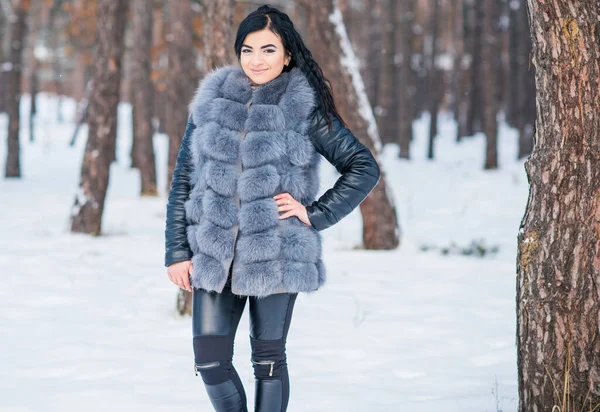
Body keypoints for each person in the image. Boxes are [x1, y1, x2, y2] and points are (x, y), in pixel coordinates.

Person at [165, 5, 380, 412]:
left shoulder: (303, 106)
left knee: (267, 362)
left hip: (277, 254)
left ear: (287, 55)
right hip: (212, 255)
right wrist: (177, 252)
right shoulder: (211, 102)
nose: (256, 60)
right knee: (210, 363)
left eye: (268, 50)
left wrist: (314, 213)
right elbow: (183, 181)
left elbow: (363, 167)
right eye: (247, 50)